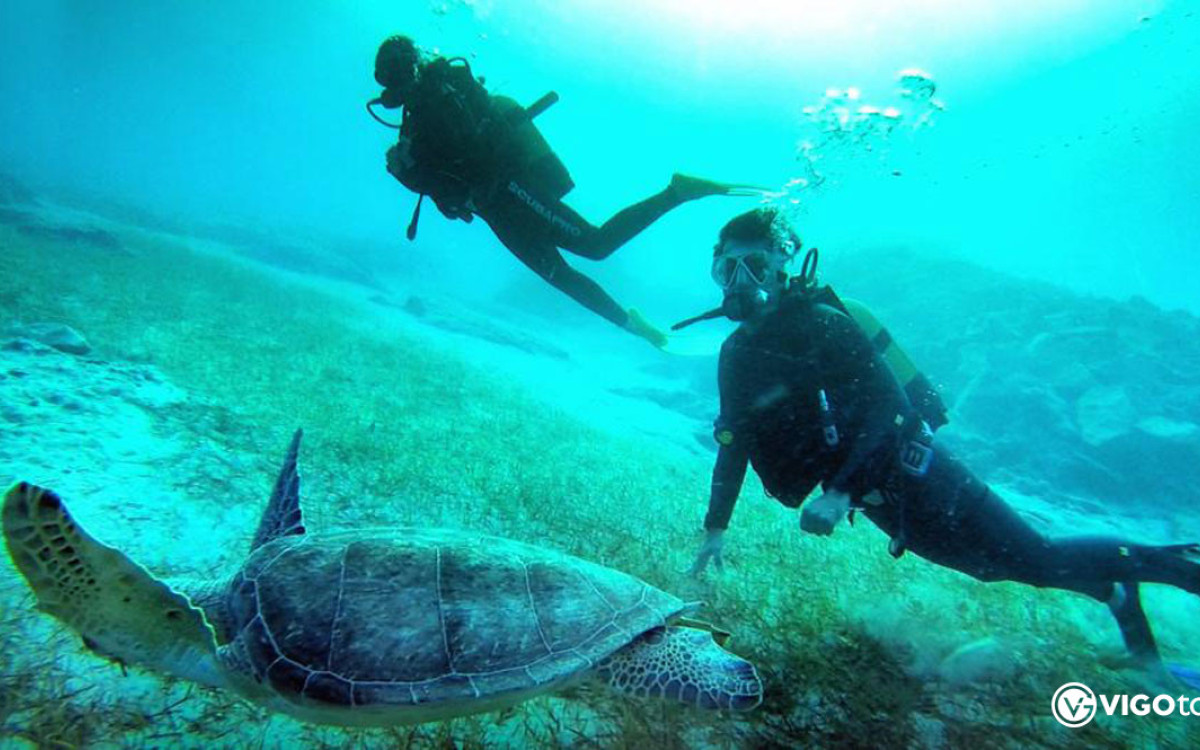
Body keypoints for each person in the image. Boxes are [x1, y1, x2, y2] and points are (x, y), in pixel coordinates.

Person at [686, 207, 1200, 683]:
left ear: (780, 265)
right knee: (991, 568)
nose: (739, 282)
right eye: (726, 270)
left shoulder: (827, 325)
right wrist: (715, 528)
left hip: (920, 471)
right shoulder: (735, 353)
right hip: (875, 497)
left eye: (754, 266)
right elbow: (735, 439)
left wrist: (839, 492)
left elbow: (890, 409)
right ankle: (1115, 592)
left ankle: (1180, 567)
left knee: (1037, 556)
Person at [369, 35, 757, 347]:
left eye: (390, 79)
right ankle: (635, 327)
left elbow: (462, 160)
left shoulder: (435, 103)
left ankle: (676, 192)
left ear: (403, 71)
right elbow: (448, 180)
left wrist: (410, 171)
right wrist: (412, 170)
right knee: (560, 276)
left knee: (595, 246)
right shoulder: (422, 110)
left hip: (512, 191)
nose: (389, 92)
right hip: (496, 209)